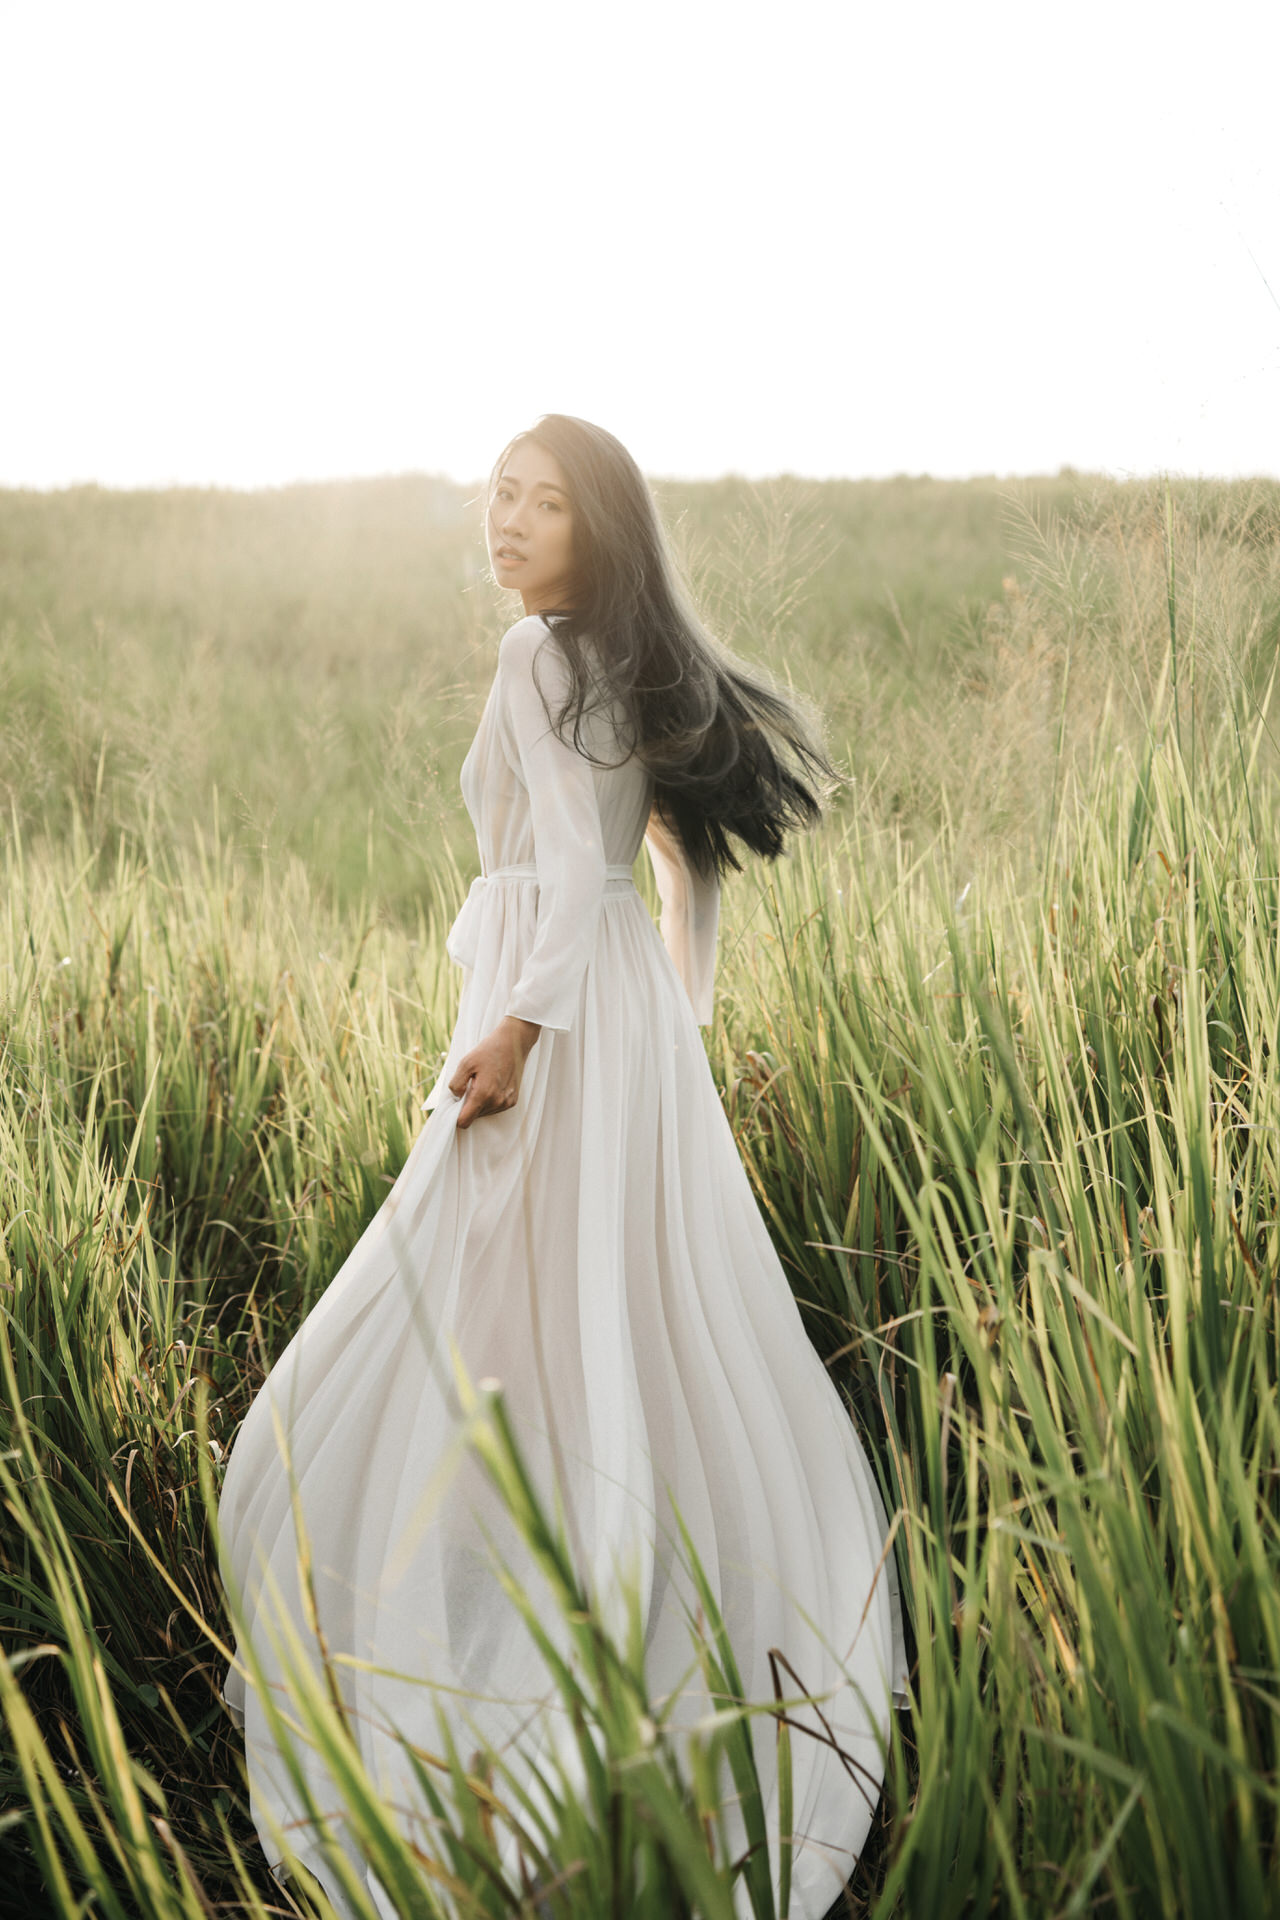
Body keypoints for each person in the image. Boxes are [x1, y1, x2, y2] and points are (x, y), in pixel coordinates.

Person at [216, 414, 907, 1918]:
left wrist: (525, 1033)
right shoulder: (620, 656)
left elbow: (594, 863)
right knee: (629, 1310)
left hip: (548, 1021)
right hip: (622, 1027)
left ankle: (513, 1616)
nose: (506, 522)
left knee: (471, 1304)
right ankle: (637, 1592)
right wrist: (673, 1025)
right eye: (497, 496)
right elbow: (679, 868)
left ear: (601, 528)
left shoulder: (544, 659)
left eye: (541, 503)